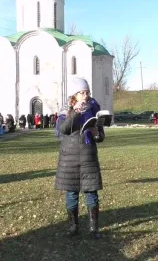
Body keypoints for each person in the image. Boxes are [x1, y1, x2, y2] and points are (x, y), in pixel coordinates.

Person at [55, 77, 105, 239]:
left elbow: (101, 136)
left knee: (91, 192)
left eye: (87, 92)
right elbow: (64, 129)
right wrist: (75, 112)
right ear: (74, 95)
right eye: (82, 92)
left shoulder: (94, 109)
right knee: (72, 193)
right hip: (69, 157)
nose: (85, 95)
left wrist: (97, 134)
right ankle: (73, 226)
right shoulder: (66, 110)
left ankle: (93, 228)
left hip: (88, 156)